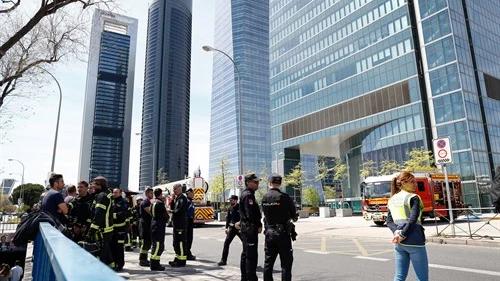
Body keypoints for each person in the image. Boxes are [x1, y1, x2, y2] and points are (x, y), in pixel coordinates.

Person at [386, 171, 428, 281]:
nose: (416, 184)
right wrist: (403, 234)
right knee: (422, 278)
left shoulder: (392, 199)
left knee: (399, 276)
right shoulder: (413, 197)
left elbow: (389, 221)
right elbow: (413, 219)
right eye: (412, 182)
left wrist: (397, 233)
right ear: (403, 183)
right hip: (414, 238)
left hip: (399, 241)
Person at [262, 174, 297, 281]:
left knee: (268, 263)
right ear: (280, 183)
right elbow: (294, 215)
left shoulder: (264, 197)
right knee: (286, 264)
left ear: (269, 183)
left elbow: (264, 213)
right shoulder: (285, 197)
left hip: (269, 233)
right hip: (283, 234)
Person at [87, 176, 115, 268]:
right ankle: (111, 268)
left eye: (93, 184)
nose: (91, 186)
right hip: (107, 229)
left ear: (99, 185)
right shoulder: (106, 194)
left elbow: (99, 216)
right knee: (106, 251)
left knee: (101, 254)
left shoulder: (102, 196)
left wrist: (91, 232)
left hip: (103, 230)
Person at [239, 173, 263, 281]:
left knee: (246, 254)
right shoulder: (248, 195)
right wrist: (258, 224)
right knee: (251, 256)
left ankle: (244, 278)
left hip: (246, 229)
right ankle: (251, 278)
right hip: (249, 229)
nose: (258, 184)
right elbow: (251, 214)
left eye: (258, 182)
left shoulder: (247, 194)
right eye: (255, 182)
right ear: (248, 183)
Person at [168, 183, 189, 267]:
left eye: (175, 189)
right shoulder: (177, 198)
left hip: (180, 224)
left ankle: (182, 261)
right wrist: (172, 200)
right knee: (175, 242)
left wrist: (171, 212)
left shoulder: (183, 199)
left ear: (179, 189)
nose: (173, 191)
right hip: (176, 224)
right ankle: (177, 258)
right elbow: (173, 207)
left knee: (180, 242)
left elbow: (180, 210)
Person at [217, 194, 241, 266]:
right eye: (230, 200)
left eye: (232, 200)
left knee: (245, 244)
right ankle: (223, 260)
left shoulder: (240, 208)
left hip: (240, 228)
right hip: (232, 228)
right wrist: (226, 228)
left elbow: (244, 217)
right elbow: (228, 219)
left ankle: (248, 260)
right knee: (226, 243)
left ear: (236, 200)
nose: (230, 201)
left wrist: (240, 224)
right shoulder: (230, 208)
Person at [150, 188, 169, 271]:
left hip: (154, 224)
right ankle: (155, 264)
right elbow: (165, 215)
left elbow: (151, 212)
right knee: (158, 245)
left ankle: (153, 262)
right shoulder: (160, 203)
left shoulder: (153, 202)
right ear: (160, 194)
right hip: (159, 226)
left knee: (155, 244)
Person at [111, 188, 128, 271]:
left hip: (120, 228)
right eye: (113, 192)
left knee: (119, 247)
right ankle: (114, 263)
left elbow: (123, 214)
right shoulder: (111, 201)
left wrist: (112, 216)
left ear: (120, 193)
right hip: (111, 228)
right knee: (112, 246)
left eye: (116, 192)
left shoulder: (123, 202)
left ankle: (120, 264)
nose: (114, 194)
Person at [139, 188, 154, 266]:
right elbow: (150, 212)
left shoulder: (149, 202)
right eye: (151, 193)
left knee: (147, 243)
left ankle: (144, 259)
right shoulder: (145, 203)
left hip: (148, 225)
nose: (152, 194)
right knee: (145, 243)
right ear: (147, 194)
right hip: (145, 225)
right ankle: (142, 260)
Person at [185, 188, 196, 260]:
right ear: (189, 193)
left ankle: (188, 252)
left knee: (190, 238)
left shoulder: (191, 201)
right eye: (192, 193)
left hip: (191, 220)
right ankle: (187, 253)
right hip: (187, 221)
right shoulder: (187, 201)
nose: (193, 194)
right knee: (188, 238)